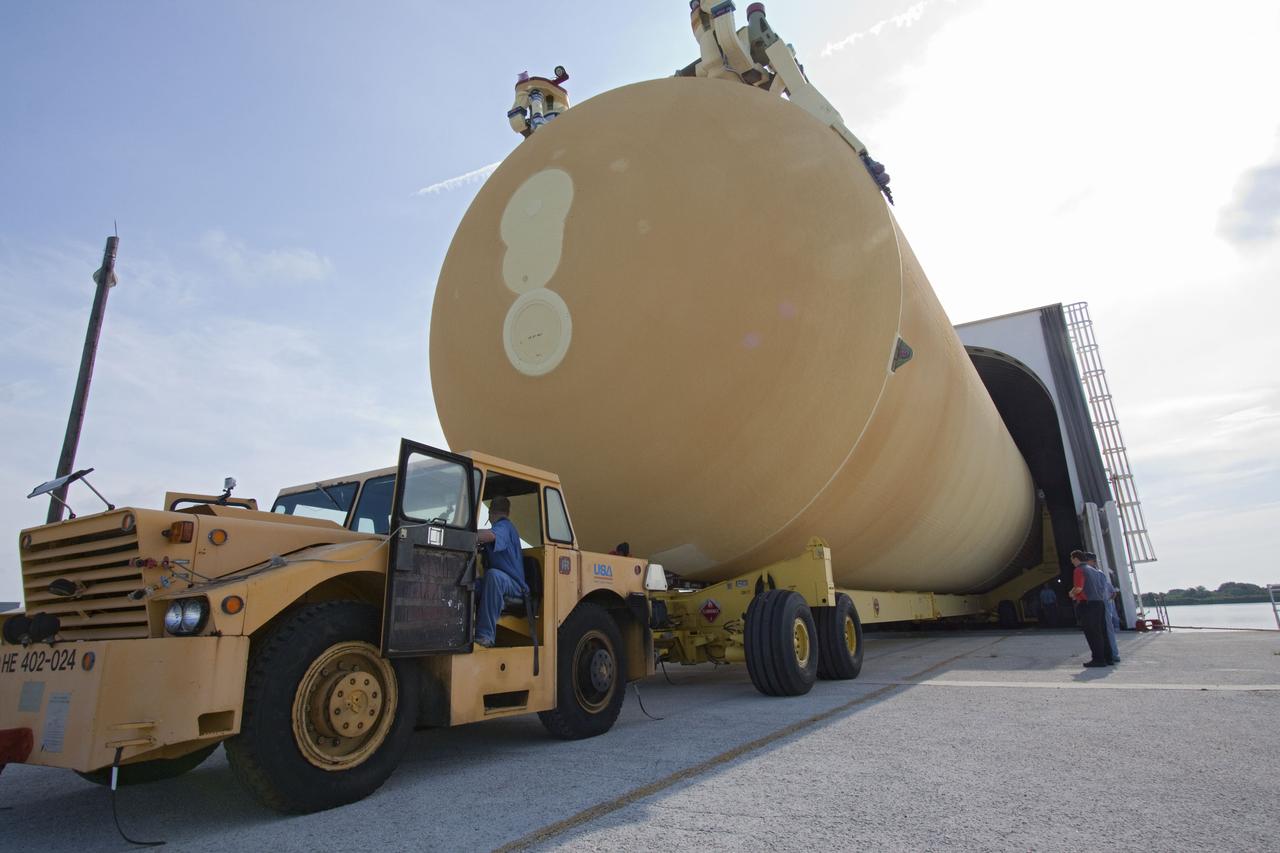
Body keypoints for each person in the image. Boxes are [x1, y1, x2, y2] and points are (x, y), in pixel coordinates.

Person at [474, 496, 527, 648]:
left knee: (493, 576)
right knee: (471, 584)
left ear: (490, 512)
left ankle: (485, 635)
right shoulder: (503, 527)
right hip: (501, 583)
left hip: (515, 586)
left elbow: (491, 536)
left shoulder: (504, 526)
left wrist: (468, 535)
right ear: (508, 511)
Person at [1068, 548, 1115, 667]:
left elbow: (1079, 588)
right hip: (1099, 603)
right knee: (1102, 632)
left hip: (1088, 604)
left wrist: (1072, 593)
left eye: (1072, 559)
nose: (1071, 562)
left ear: (1076, 558)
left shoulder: (1079, 570)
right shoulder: (1094, 571)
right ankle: (1108, 658)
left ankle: (1098, 659)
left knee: (1093, 633)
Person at [1088, 552, 1122, 663]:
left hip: (1101, 605)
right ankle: (1111, 654)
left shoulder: (1096, 574)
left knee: (1106, 629)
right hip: (1103, 604)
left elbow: (1103, 592)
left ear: (1093, 562)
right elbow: (1110, 592)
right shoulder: (1099, 573)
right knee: (1106, 630)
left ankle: (1112, 654)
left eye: (1087, 560)